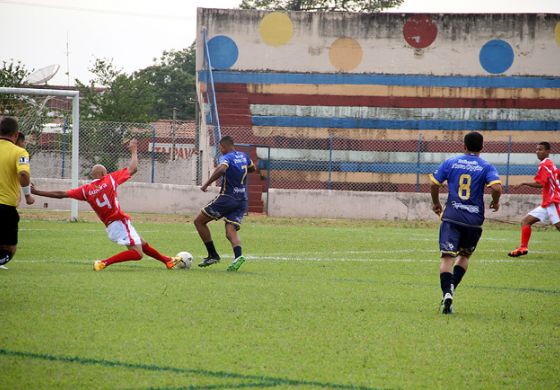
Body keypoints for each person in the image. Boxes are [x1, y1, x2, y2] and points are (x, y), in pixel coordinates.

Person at [31, 139, 182, 271]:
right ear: (104, 173)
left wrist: (37, 192)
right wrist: (134, 151)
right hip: (119, 221)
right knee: (137, 253)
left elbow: (61, 194)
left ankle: (167, 261)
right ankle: (103, 263)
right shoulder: (110, 179)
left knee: (142, 243)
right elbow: (133, 168)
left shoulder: (86, 190)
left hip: (111, 226)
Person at [430, 131, 502, 314]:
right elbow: (496, 187)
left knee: (447, 257)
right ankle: (452, 287)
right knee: (464, 256)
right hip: (474, 220)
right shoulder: (486, 166)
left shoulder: (452, 162)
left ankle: (447, 292)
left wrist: (436, 203)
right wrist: (495, 201)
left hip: (452, 216)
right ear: (482, 147)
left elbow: (434, 183)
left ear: (464, 146)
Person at [194, 135, 255, 272]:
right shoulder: (243, 156)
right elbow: (252, 168)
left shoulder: (226, 157)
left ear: (224, 147)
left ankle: (213, 254)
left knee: (199, 221)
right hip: (242, 200)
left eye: (220, 148)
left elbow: (221, 169)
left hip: (227, 198)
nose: (220, 150)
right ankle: (238, 257)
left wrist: (206, 184)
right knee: (230, 231)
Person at [508, 142, 560, 257]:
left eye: (541, 149)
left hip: (553, 201)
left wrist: (523, 182)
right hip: (548, 202)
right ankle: (523, 248)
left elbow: (541, 184)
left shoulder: (545, 164)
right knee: (526, 221)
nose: (538, 151)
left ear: (547, 151)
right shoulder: (551, 164)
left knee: (558, 226)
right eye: (536, 149)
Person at [0, 117, 35, 270]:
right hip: (5, 206)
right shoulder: (19, 152)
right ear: (15, 135)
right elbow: (23, 174)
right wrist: (27, 195)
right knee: (9, 249)